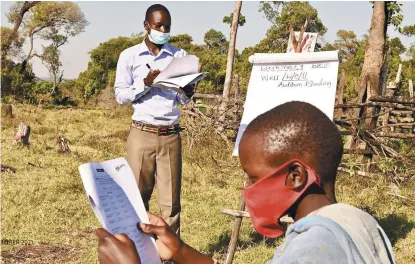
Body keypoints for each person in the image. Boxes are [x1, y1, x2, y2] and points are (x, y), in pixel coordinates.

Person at [96, 101, 395, 264]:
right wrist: (181, 251)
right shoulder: (354, 221)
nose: (249, 189)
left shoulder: (315, 248)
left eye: (254, 177)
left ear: (295, 176)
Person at [114, 4, 195, 235]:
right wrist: (145, 84)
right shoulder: (129, 56)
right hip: (142, 134)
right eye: (159, 25)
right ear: (146, 26)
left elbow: (183, 100)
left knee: (171, 204)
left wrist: (188, 90)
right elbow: (120, 96)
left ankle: (170, 255)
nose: (163, 30)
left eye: (167, 26)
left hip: (170, 135)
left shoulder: (178, 56)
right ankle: (138, 250)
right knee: (137, 198)